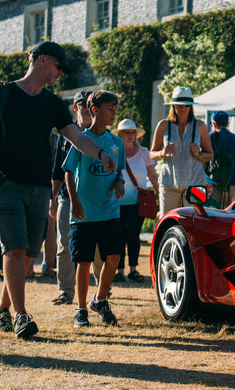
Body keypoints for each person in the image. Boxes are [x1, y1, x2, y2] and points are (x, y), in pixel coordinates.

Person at [0, 41, 116, 341]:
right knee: (14, 248)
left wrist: (100, 153)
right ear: (42, 60)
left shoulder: (51, 104)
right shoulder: (1, 93)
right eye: (59, 67)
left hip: (38, 186)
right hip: (6, 182)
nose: (60, 73)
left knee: (27, 254)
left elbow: (76, 137)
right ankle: (22, 316)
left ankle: (1, 311)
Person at [62, 91, 126, 328]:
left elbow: (119, 171)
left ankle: (99, 300)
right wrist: (75, 201)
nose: (114, 113)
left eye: (115, 109)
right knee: (84, 262)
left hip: (109, 210)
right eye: (110, 108)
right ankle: (80, 310)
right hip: (84, 213)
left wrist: (119, 181)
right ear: (95, 110)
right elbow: (68, 171)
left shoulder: (116, 142)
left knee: (114, 257)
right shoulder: (81, 140)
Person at [50, 90, 92, 305]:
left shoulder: (102, 134)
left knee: (97, 247)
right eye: (82, 104)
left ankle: (102, 291)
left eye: (89, 104)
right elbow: (57, 169)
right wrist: (52, 198)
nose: (86, 108)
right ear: (75, 108)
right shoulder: (65, 136)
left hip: (94, 199)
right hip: (66, 197)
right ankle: (65, 291)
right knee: (64, 245)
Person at [150, 87, 213, 215]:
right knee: (168, 222)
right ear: (173, 106)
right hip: (169, 184)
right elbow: (152, 154)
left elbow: (210, 155)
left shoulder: (200, 126)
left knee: (195, 223)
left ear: (191, 107)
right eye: (179, 105)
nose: (182, 108)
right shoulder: (163, 125)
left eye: (186, 105)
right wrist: (162, 153)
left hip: (195, 184)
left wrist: (199, 154)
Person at [113, 118, 158, 283]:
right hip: (116, 202)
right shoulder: (114, 152)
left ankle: (133, 269)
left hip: (138, 203)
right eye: (127, 132)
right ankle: (119, 271)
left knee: (133, 236)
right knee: (118, 237)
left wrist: (159, 191)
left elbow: (152, 175)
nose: (131, 135)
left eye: (133, 132)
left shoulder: (144, 152)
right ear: (120, 134)